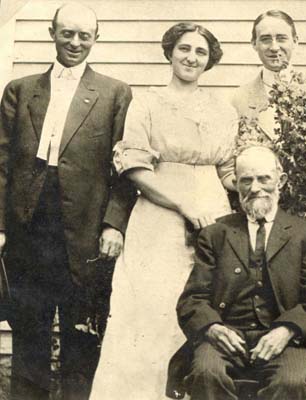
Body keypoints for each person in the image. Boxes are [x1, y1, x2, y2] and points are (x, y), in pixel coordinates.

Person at [90, 22, 238, 399]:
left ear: (210, 61)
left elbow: (228, 170)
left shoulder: (223, 109)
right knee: (152, 309)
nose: (191, 57)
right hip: (159, 218)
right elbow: (135, 167)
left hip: (213, 218)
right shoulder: (148, 103)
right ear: (170, 52)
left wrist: (258, 179)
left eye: (201, 52)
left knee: (204, 304)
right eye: (184, 49)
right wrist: (184, 204)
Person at [0, 3, 134, 400]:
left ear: (97, 37)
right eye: (67, 33)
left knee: (82, 332)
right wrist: (1, 226)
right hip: (30, 225)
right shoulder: (21, 90)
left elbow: (125, 168)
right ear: (51, 32)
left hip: (86, 228)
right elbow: (2, 162)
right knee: (29, 328)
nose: (75, 43)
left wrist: (114, 223)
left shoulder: (114, 93)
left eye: (84, 35)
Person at [169, 146, 306, 400]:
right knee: (206, 373)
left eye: (264, 178)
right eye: (246, 180)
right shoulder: (216, 234)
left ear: (281, 181)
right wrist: (213, 328)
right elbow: (191, 299)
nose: (255, 188)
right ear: (235, 184)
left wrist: (286, 331)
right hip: (226, 336)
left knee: (290, 382)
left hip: (285, 339)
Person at [231, 10, 298, 140]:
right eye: (266, 39)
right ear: (254, 44)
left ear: (295, 41)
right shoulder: (237, 99)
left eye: (281, 39)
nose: (274, 47)